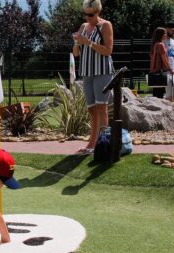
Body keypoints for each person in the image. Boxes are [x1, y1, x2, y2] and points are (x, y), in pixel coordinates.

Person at [72, 0, 114, 155]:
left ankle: (103, 144)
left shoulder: (105, 25)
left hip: (102, 71)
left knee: (101, 108)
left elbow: (108, 50)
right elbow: (76, 54)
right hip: (87, 72)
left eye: (91, 14)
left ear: (98, 12)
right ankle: (92, 143)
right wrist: (77, 43)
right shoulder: (83, 27)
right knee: (91, 109)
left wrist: (88, 42)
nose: (87, 17)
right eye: (85, 14)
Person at [150, 27, 173, 99]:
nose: (166, 35)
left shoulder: (155, 44)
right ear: (161, 35)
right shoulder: (161, 45)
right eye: (165, 33)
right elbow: (164, 59)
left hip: (154, 71)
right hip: (160, 71)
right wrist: (170, 68)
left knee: (156, 93)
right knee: (160, 94)